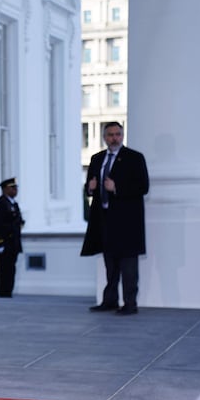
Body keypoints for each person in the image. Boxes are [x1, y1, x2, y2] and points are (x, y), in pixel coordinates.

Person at [81, 121, 149, 315]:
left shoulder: (134, 158)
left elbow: (143, 187)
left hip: (127, 222)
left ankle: (130, 304)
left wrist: (117, 188)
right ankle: (109, 301)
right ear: (104, 137)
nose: (114, 138)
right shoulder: (97, 158)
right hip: (104, 220)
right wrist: (90, 188)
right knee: (110, 265)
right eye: (110, 134)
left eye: (118, 134)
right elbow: (89, 186)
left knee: (128, 266)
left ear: (123, 135)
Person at [0, 177, 25, 298]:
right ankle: (3, 295)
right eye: (13, 188)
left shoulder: (13, 203)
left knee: (10, 270)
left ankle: (8, 293)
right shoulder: (1, 203)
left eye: (16, 188)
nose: (16, 190)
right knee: (4, 271)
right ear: (5, 189)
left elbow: (17, 221)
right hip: (4, 244)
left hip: (12, 244)